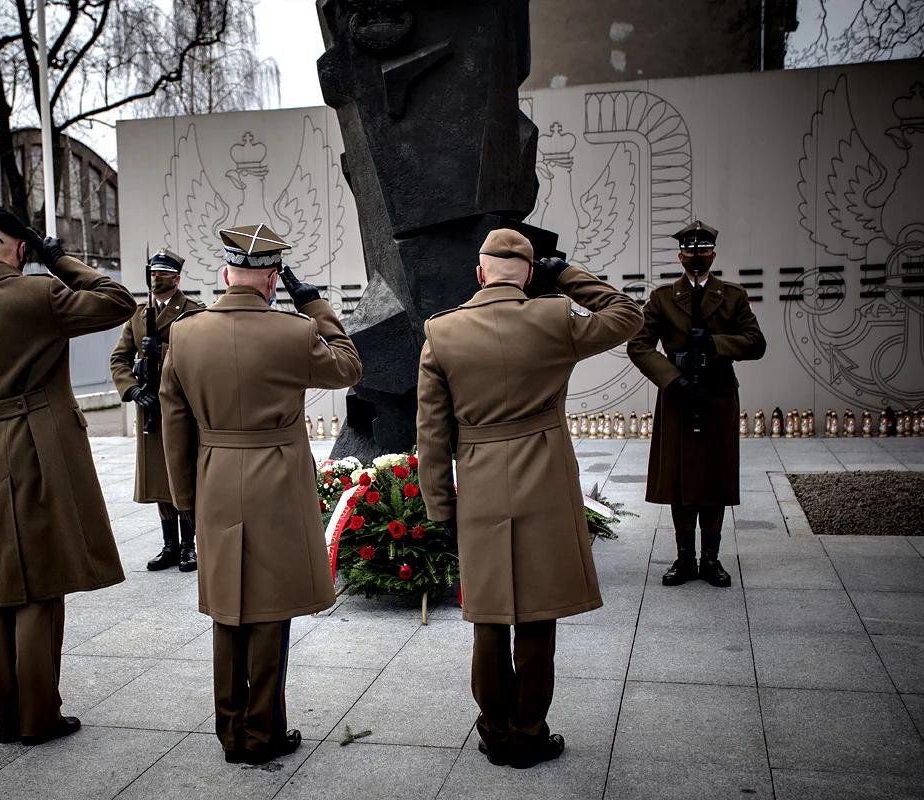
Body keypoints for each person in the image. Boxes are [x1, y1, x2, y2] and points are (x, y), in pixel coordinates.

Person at [415, 228, 643, 769]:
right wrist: (565, 275)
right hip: (544, 476)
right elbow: (628, 315)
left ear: (479, 274)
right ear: (529, 275)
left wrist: (437, 507)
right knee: (537, 612)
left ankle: (495, 728)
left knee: (490, 612)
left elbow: (431, 431)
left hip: (482, 477)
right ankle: (530, 729)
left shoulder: (442, 332)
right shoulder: (554, 316)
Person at [0, 208, 136, 745]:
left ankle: (6, 714)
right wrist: (58, 257)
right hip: (41, 447)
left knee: (1, 587)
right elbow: (117, 300)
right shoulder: (39, 294)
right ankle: (38, 717)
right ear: (21, 249)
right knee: (41, 584)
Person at [160, 223, 361, 766]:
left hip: (217, 477)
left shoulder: (185, 333)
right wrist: (315, 305)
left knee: (229, 608)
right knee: (270, 609)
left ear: (226, 274)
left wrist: (186, 499)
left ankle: (231, 732)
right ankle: (263, 730)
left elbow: (174, 423)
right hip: (275, 477)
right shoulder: (293, 331)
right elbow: (349, 365)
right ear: (273, 279)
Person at [627, 221, 766, 588]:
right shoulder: (661, 298)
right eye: (689, 251)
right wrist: (672, 379)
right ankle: (685, 559)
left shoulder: (732, 296)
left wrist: (716, 345)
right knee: (681, 479)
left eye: (703, 250)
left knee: (714, 477)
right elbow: (639, 345)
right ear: (680, 256)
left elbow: (756, 342)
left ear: (713, 254)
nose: (695, 256)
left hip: (718, 394)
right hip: (678, 395)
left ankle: (711, 559)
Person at [110, 248, 205, 572]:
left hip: (180, 408)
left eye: (162, 274)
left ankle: (188, 547)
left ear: (177, 278)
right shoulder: (138, 316)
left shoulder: (192, 312)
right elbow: (119, 358)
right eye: (152, 273)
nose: (155, 278)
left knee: (182, 472)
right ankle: (168, 546)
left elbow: (199, 356)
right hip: (150, 407)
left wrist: (162, 350)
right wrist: (132, 389)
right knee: (159, 478)